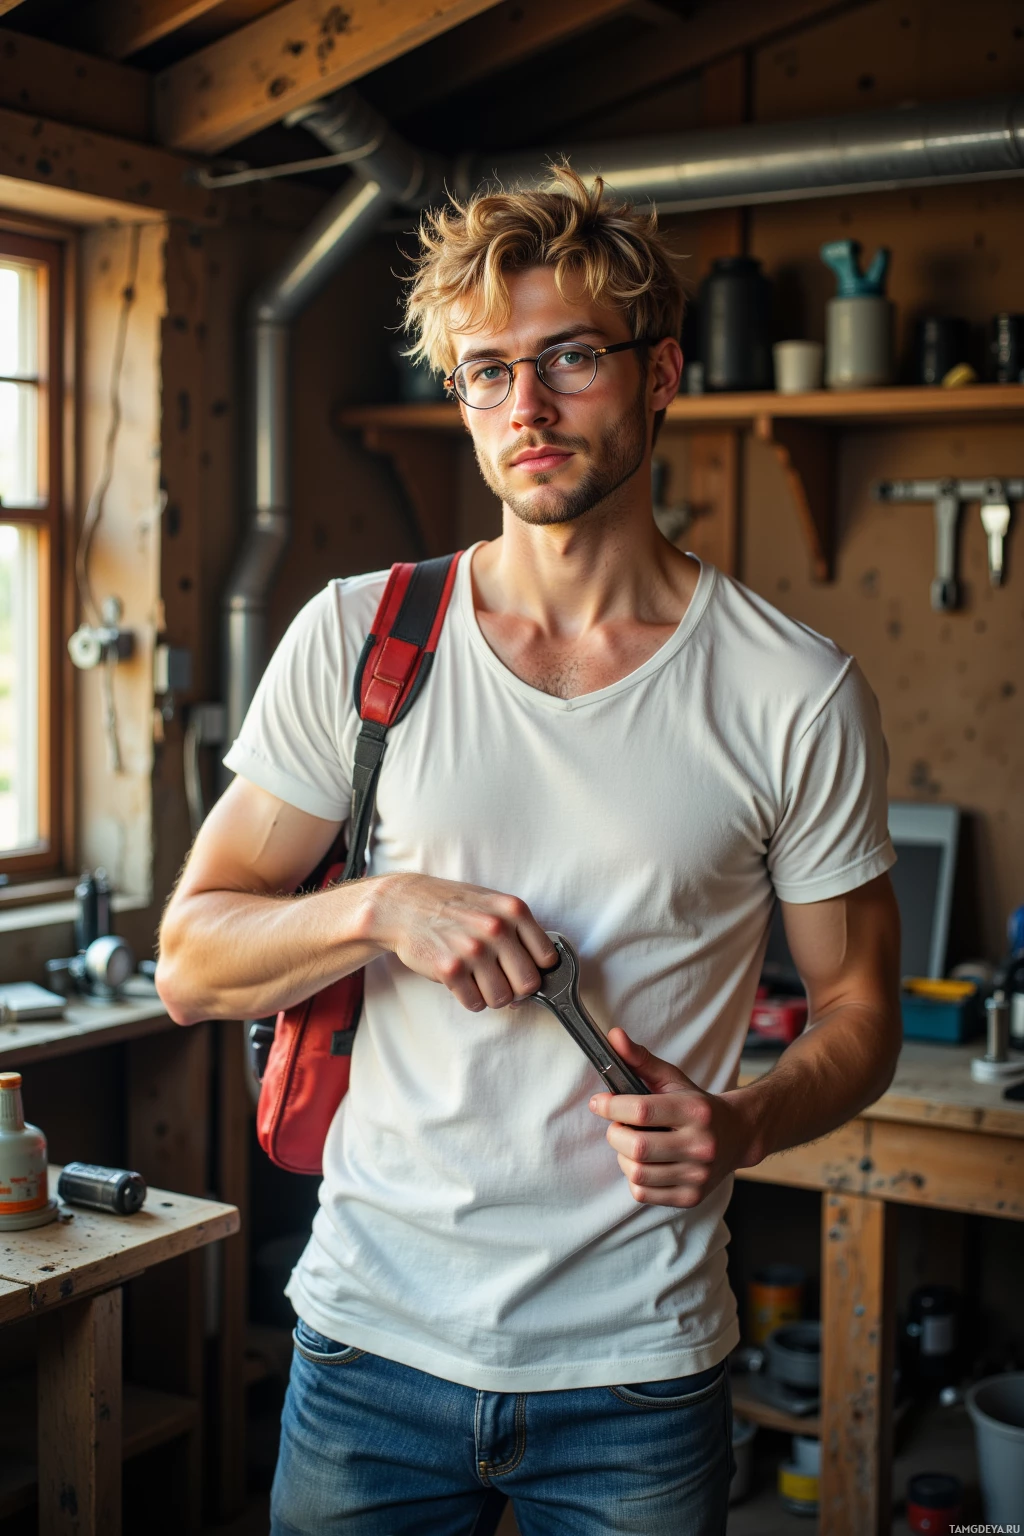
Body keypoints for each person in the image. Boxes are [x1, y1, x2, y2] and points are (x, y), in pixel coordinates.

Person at [156, 165, 901, 1536]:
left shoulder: (791, 692)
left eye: (568, 357)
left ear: (661, 371)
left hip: (638, 1375)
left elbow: (860, 1014)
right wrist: (380, 910)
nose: (526, 409)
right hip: (368, 1352)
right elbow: (192, 962)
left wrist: (743, 1122)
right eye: (485, 371)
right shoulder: (362, 640)